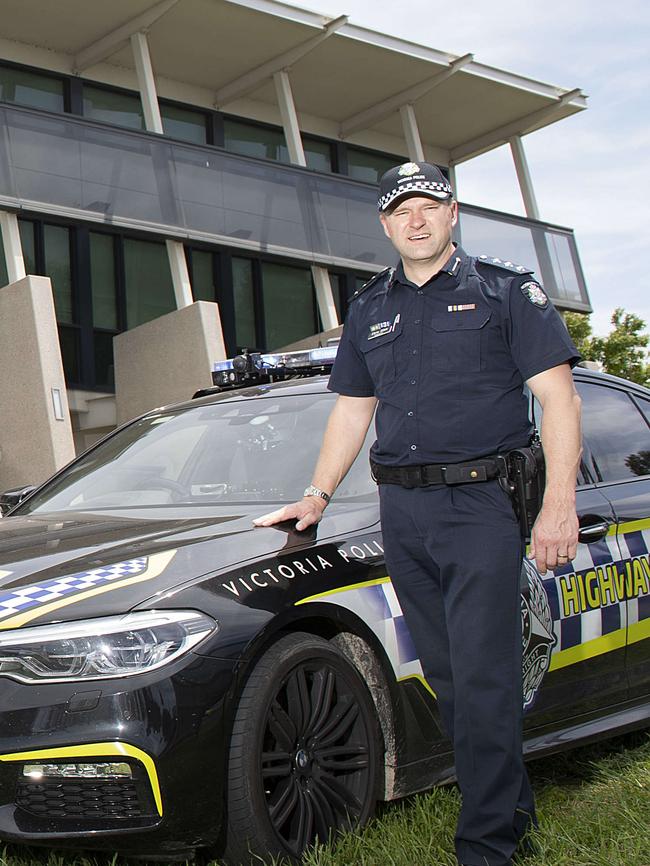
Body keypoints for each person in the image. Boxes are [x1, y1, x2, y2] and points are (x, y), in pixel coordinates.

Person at [254, 161, 582, 866]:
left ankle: (486, 848)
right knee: (453, 680)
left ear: (452, 212)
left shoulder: (505, 291)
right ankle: (512, 817)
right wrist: (316, 495)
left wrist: (559, 506)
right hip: (401, 510)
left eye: (428, 206)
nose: (416, 220)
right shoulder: (371, 306)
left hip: (480, 507)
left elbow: (559, 399)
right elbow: (353, 409)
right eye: (401, 210)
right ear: (385, 223)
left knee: (487, 677)